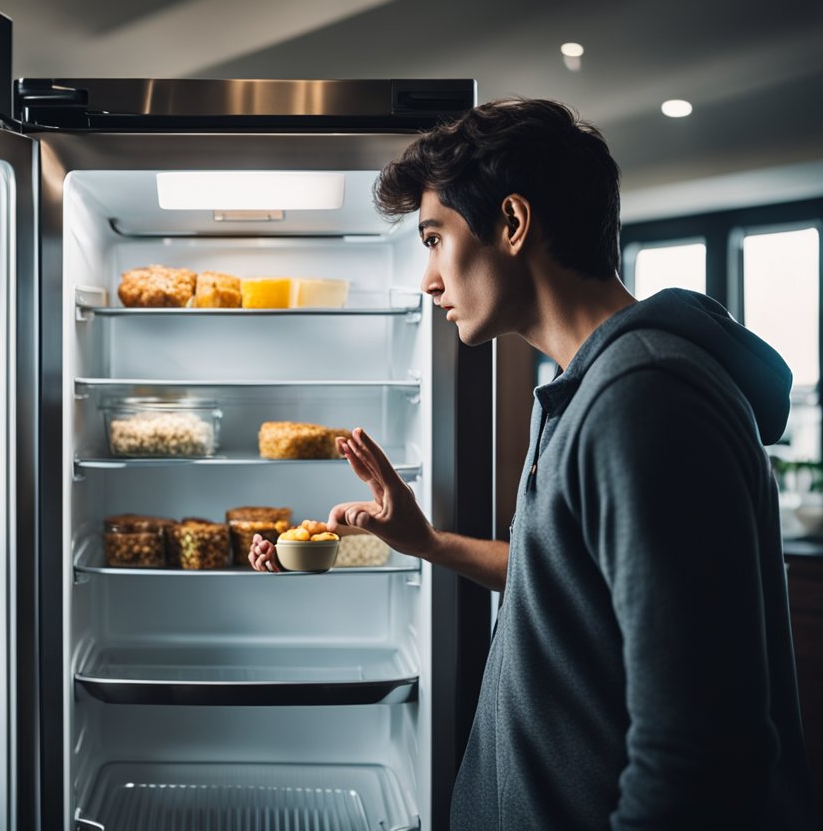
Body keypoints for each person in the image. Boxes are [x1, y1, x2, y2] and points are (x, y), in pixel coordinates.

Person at [249, 99, 815, 830]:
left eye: (434, 238)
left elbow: (702, 756)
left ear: (512, 225)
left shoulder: (644, 399)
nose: (428, 279)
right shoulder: (587, 389)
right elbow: (577, 584)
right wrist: (429, 544)